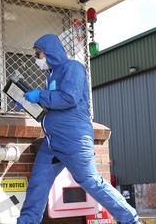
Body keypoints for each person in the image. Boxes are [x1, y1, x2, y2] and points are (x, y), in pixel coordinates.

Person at [17, 34, 139, 224]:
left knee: (91, 182)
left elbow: (69, 98)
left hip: (73, 140)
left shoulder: (72, 68)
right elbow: (53, 103)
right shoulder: (51, 75)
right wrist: (28, 101)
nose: (37, 59)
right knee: (38, 185)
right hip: (53, 142)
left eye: (38, 54)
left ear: (49, 52)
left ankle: (130, 220)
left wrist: (40, 95)